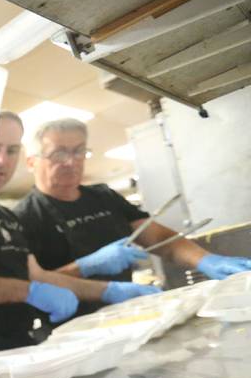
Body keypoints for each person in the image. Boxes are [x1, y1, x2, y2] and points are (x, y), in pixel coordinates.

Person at [0, 112, 158, 367]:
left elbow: (38, 275)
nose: (2, 160)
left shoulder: (5, 214)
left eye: (12, 150)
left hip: (16, 347)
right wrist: (29, 292)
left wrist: (110, 291)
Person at [14, 119, 251, 306]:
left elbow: (160, 239)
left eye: (79, 151)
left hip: (128, 309)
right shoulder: (21, 218)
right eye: (59, 154)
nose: (71, 162)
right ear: (32, 162)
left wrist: (206, 260)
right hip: (72, 328)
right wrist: (86, 266)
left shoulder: (104, 196)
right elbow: (30, 284)